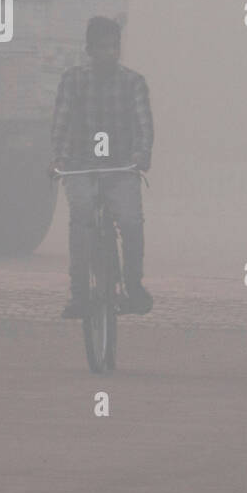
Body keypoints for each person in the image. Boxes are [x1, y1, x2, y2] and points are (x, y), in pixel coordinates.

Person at [50, 17, 154, 318]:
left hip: (121, 168)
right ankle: (80, 295)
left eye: (114, 46)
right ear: (89, 49)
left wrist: (141, 155)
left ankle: (134, 286)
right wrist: (58, 158)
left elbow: (143, 125)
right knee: (81, 219)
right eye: (103, 47)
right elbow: (62, 122)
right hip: (81, 167)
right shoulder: (72, 81)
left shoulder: (133, 83)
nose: (110, 53)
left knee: (132, 222)